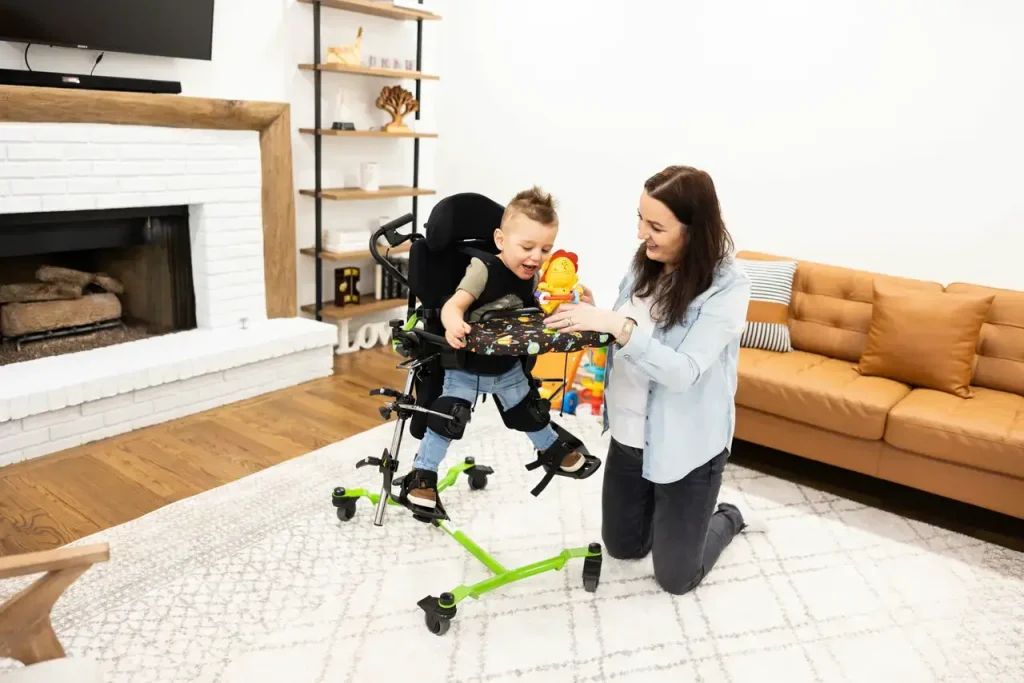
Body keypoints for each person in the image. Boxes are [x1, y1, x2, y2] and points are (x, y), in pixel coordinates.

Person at [543, 165, 752, 595]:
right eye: (639, 218)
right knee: (623, 547)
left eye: (655, 225)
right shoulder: (646, 264)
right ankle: (671, 516)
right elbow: (628, 328)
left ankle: (725, 515)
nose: (642, 233)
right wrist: (593, 312)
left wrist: (618, 328)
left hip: (686, 447)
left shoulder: (727, 286)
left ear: (695, 229)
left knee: (676, 579)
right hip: (629, 438)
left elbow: (683, 372)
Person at [402, 186, 585, 510]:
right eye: (527, 247)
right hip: (466, 366)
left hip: (508, 367)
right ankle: (423, 476)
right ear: (501, 240)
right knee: (448, 418)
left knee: (530, 412)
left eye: (545, 249)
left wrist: (579, 301)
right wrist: (454, 321)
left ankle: (550, 450)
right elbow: (453, 305)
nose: (536, 257)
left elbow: (551, 305)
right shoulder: (483, 269)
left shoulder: (535, 277)